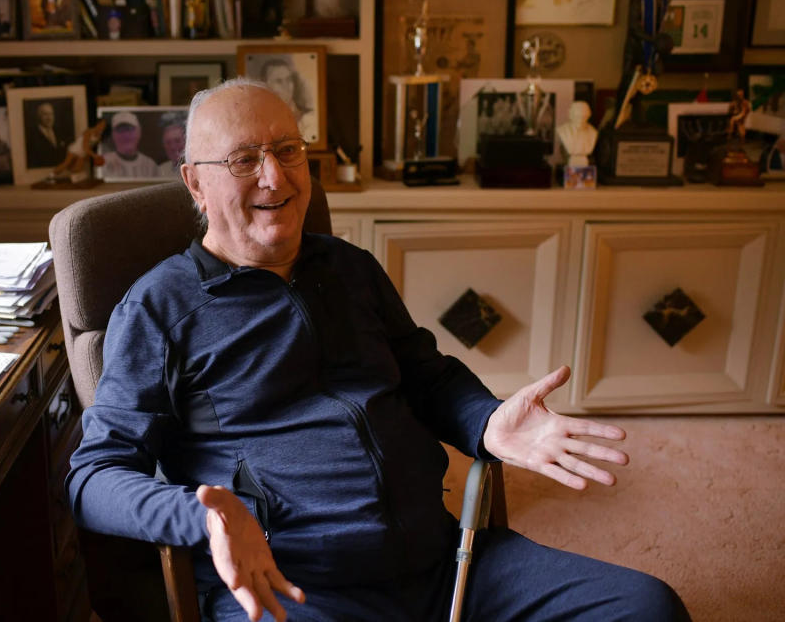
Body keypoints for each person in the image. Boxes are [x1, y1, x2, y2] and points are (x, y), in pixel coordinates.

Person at [66, 78, 690, 622]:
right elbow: (93, 477)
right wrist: (202, 517)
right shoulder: (158, 309)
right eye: (243, 159)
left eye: (289, 151)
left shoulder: (351, 269)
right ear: (195, 183)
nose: (274, 177)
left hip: (448, 562)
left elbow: (427, 378)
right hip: (299, 587)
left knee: (646, 608)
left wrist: (489, 420)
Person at [259, 59, 318, 143]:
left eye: (289, 79)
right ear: (265, 85)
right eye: (279, 81)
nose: (286, 85)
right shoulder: (259, 121)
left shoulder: (309, 118)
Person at [101, 110, 158, 179]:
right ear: (113, 135)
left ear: (139, 132)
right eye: (120, 130)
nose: (126, 135)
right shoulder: (103, 163)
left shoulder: (150, 166)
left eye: (130, 129)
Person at [25, 101, 68, 168]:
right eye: (45, 114)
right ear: (38, 116)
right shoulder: (31, 136)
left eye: (51, 114)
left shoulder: (60, 132)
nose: (49, 118)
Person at [558, 101, 598, 167]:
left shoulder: (593, 132)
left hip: (584, 162)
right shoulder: (563, 130)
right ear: (571, 115)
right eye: (577, 117)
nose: (581, 120)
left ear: (588, 116)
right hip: (572, 162)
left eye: (584, 117)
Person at [157, 111, 187, 178]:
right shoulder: (160, 170)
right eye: (168, 142)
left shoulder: (197, 169)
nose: (173, 147)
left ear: (186, 142)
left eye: (177, 141)